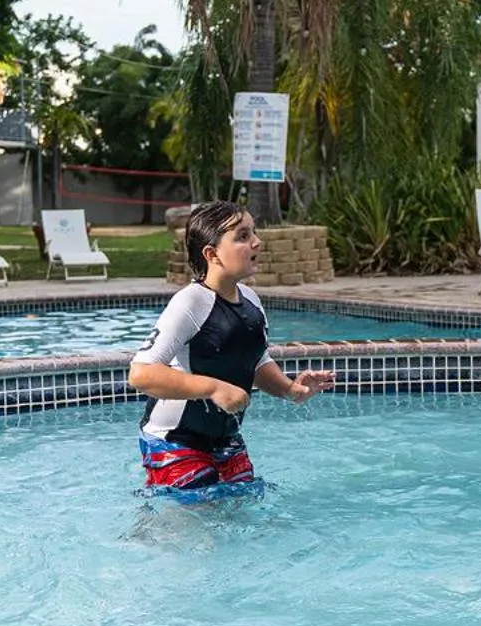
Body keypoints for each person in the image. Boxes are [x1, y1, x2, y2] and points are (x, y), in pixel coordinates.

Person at [128, 201, 334, 491]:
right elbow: (141, 374)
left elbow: (257, 360)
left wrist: (291, 390)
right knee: (200, 513)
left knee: (246, 501)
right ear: (212, 254)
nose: (257, 242)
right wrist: (215, 388)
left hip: (225, 440)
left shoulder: (250, 300)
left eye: (254, 233)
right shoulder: (190, 303)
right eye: (242, 236)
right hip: (174, 439)